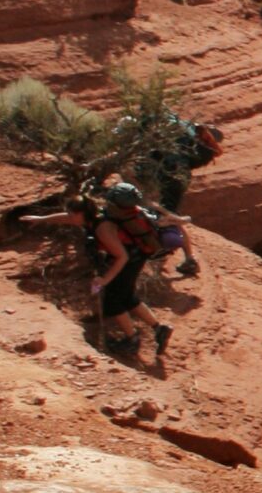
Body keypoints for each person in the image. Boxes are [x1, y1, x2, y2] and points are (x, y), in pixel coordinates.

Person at [22, 181, 170, 359]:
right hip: (131, 256)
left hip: (129, 259)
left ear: (80, 213)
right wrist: (41, 220)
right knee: (127, 297)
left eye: (72, 213)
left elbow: (122, 257)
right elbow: (65, 217)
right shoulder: (93, 216)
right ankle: (159, 329)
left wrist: (104, 280)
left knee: (113, 301)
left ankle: (132, 340)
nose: (69, 217)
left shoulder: (102, 229)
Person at [159, 122, 224, 275]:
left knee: (167, 213)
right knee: (170, 213)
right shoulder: (202, 151)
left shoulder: (189, 143)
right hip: (180, 177)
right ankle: (187, 257)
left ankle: (186, 257)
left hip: (170, 176)